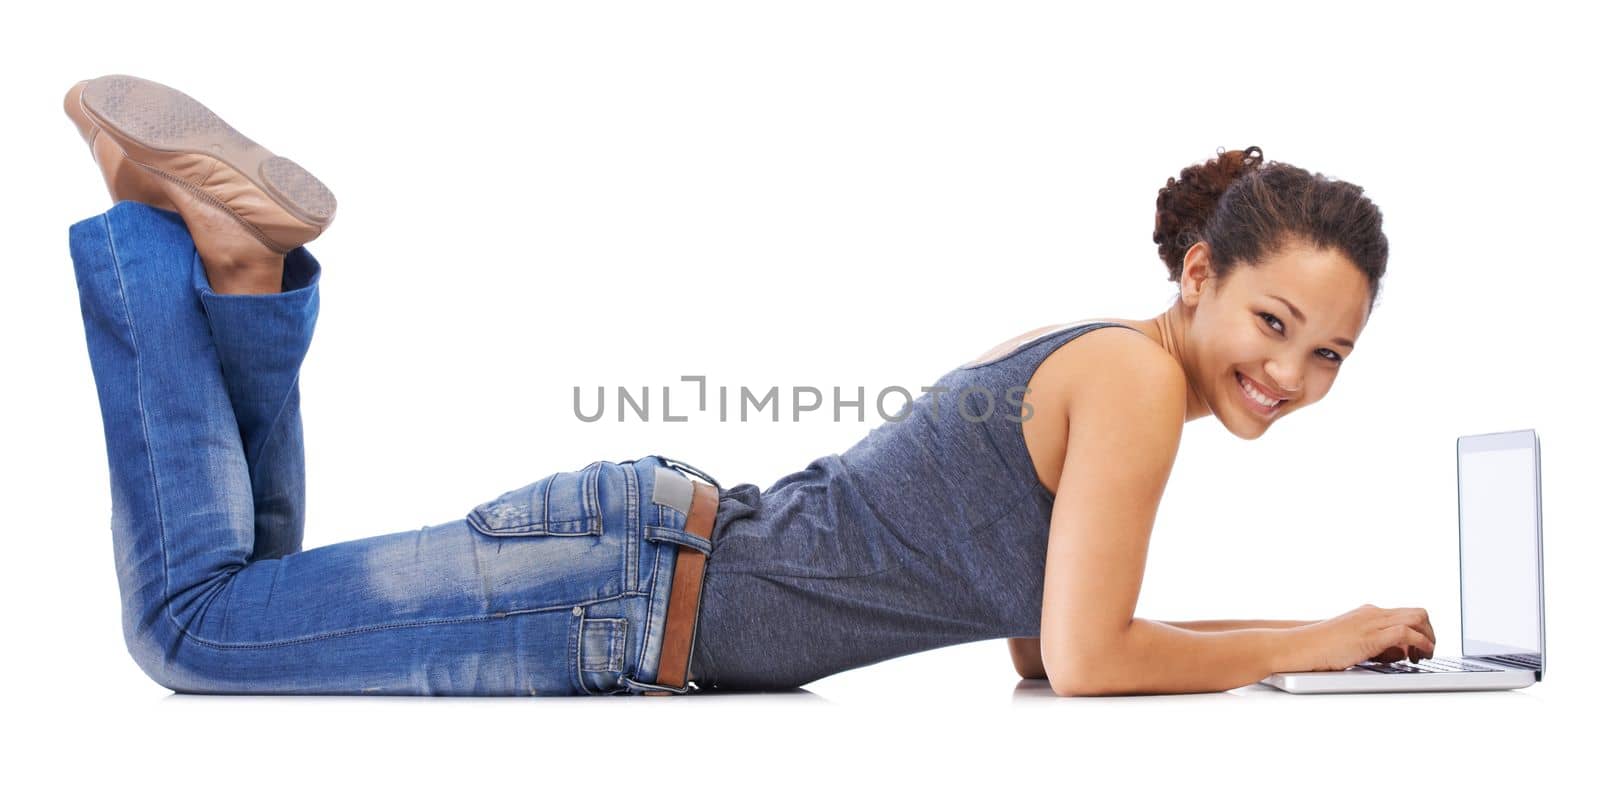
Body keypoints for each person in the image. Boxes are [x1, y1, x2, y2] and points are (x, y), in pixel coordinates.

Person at [64, 74, 1437, 699]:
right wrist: (1316, 639)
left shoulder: (1104, 360)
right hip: (627, 590)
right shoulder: (1135, 390)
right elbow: (1090, 663)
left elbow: (1045, 636)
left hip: (642, 562)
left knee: (248, 591)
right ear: (1197, 274)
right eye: (1273, 319)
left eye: (1328, 351)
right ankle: (149, 242)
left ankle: (240, 274)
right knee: (195, 627)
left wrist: (1329, 633)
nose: (1291, 372)